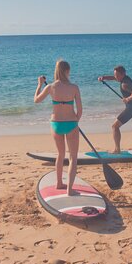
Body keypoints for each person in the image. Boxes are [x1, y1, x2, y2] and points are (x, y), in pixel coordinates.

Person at [34, 60, 82, 195]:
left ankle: (59, 183)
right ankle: (69, 189)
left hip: (56, 124)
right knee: (73, 157)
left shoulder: (50, 87)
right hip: (71, 123)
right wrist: (75, 121)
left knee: (60, 154)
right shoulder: (74, 87)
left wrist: (39, 85)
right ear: (67, 71)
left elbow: (36, 100)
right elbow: (80, 110)